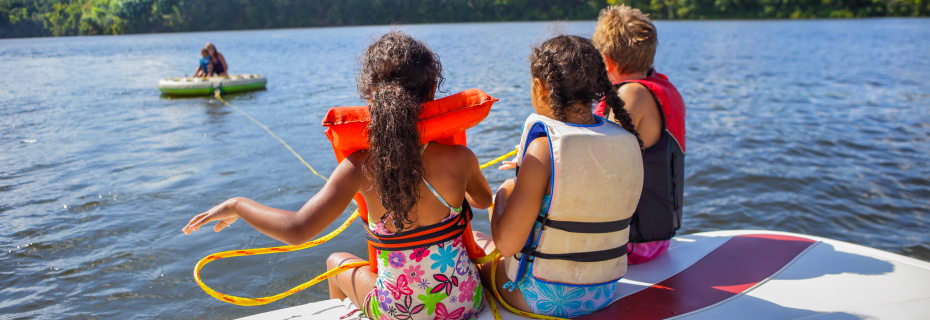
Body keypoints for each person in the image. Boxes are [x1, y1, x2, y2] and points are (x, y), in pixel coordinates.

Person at [181, 31, 493, 320]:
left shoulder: (358, 168)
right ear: (433, 90)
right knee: (478, 239)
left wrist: (236, 205)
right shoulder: (460, 159)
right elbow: (482, 201)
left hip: (398, 312)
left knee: (335, 262)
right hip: (463, 301)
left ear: (370, 94)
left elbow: (297, 230)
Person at [476, 35, 644, 318]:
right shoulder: (626, 140)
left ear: (540, 87)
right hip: (603, 291)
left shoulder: (544, 149)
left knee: (475, 243)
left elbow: (507, 245)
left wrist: (502, 193)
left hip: (540, 298)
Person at [592, 5, 687, 264]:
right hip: (656, 240)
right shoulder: (664, 88)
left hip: (629, 243)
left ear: (606, 61)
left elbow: (600, 162)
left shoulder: (630, 95)